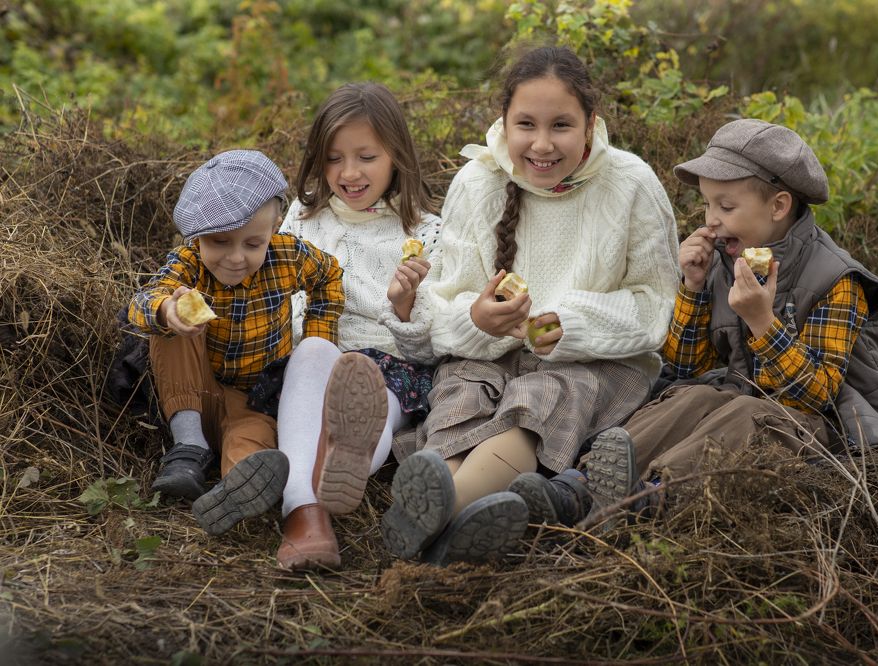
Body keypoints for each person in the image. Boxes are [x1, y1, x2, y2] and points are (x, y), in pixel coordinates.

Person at [514, 118, 878, 524]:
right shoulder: (726, 262)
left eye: (726, 206)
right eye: (707, 204)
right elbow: (685, 369)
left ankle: (644, 501)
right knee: (693, 398)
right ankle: (576, 488)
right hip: (743, 405)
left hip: (832, 434)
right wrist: (694, 287)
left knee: (748, 413)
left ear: (778, 206)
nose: (711, 220)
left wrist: (763, 323)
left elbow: (816, 397)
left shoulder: (835, 279)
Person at [379, 46, 680, 566]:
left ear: (591, 123)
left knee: (540, 399)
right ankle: (443, 523)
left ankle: (435, 533)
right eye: (526, 125)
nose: (542, 144)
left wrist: (571, 325)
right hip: (489, 355)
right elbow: (443, 301)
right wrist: (476, 320)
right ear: (503, 122)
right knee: (461, 395)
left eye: (561, 125)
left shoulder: (630, 184)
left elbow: (656, 304)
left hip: (593, 364)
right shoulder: (477, 183)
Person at [127, 149, 344, 538]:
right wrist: (165, 311)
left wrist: (316, 341)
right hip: (195, 394)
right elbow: (144, 299)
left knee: (254, 449)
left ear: (275, 227)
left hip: (256, 400)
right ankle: (189, 450)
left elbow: (329, 277)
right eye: (220, 242)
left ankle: (236, 492)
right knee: (171, 329)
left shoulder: (288, 256)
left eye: (252, 244)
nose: (235, 258)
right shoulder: (189, 264)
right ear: (195, 238)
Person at [272, 82, 442, 570]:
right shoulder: (303, 218)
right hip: (313, 355)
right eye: (333, 159)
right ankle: (309, 504)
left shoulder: (426, 232)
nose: (349, 173)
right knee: (313, 351)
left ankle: (315, 499)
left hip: (389, 364)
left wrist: (405, 306)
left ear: (396, 156)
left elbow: (434, 342)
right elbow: (281, 295)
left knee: (374, 400)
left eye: (366, 156)